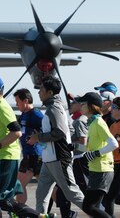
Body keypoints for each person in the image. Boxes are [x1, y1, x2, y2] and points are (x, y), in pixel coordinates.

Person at [0, 76, 40, 218]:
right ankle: (40, 216)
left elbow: (16, 132)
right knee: (4, 201)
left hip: (7, 158)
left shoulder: (2, 107)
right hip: (0, 158)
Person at [30, 76, 84, 215]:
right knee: (41, 194)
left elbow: (60, 132)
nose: (38, 92)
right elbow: (68, 131)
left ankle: (99, 213)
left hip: (59, 159)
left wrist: (39, 137)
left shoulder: (54, 108)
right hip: (49, 159)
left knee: (72, 193)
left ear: (50, 93)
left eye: (41, 89)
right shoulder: (55, 108)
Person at [74, 92, 118, 218]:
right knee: (94, 207)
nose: (80, 106)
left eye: (83, 103)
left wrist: (96, 154)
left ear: (91, 106)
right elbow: (93, 147)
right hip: (96, 169)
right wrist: (76, 147)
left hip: (102, 169)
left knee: (89, 206)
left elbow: (113, 144)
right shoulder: (92, 123)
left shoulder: (98, 122)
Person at [14, 88, 42, 205]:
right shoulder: (23, 115)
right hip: (30, 155)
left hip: (33, 155)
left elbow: (48, 128)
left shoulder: (36, 114)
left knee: (18, 186)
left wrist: (37, 137)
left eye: (18, 102)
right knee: (49, 187)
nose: (16, 104)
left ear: (25, 101)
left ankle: (21, 211)